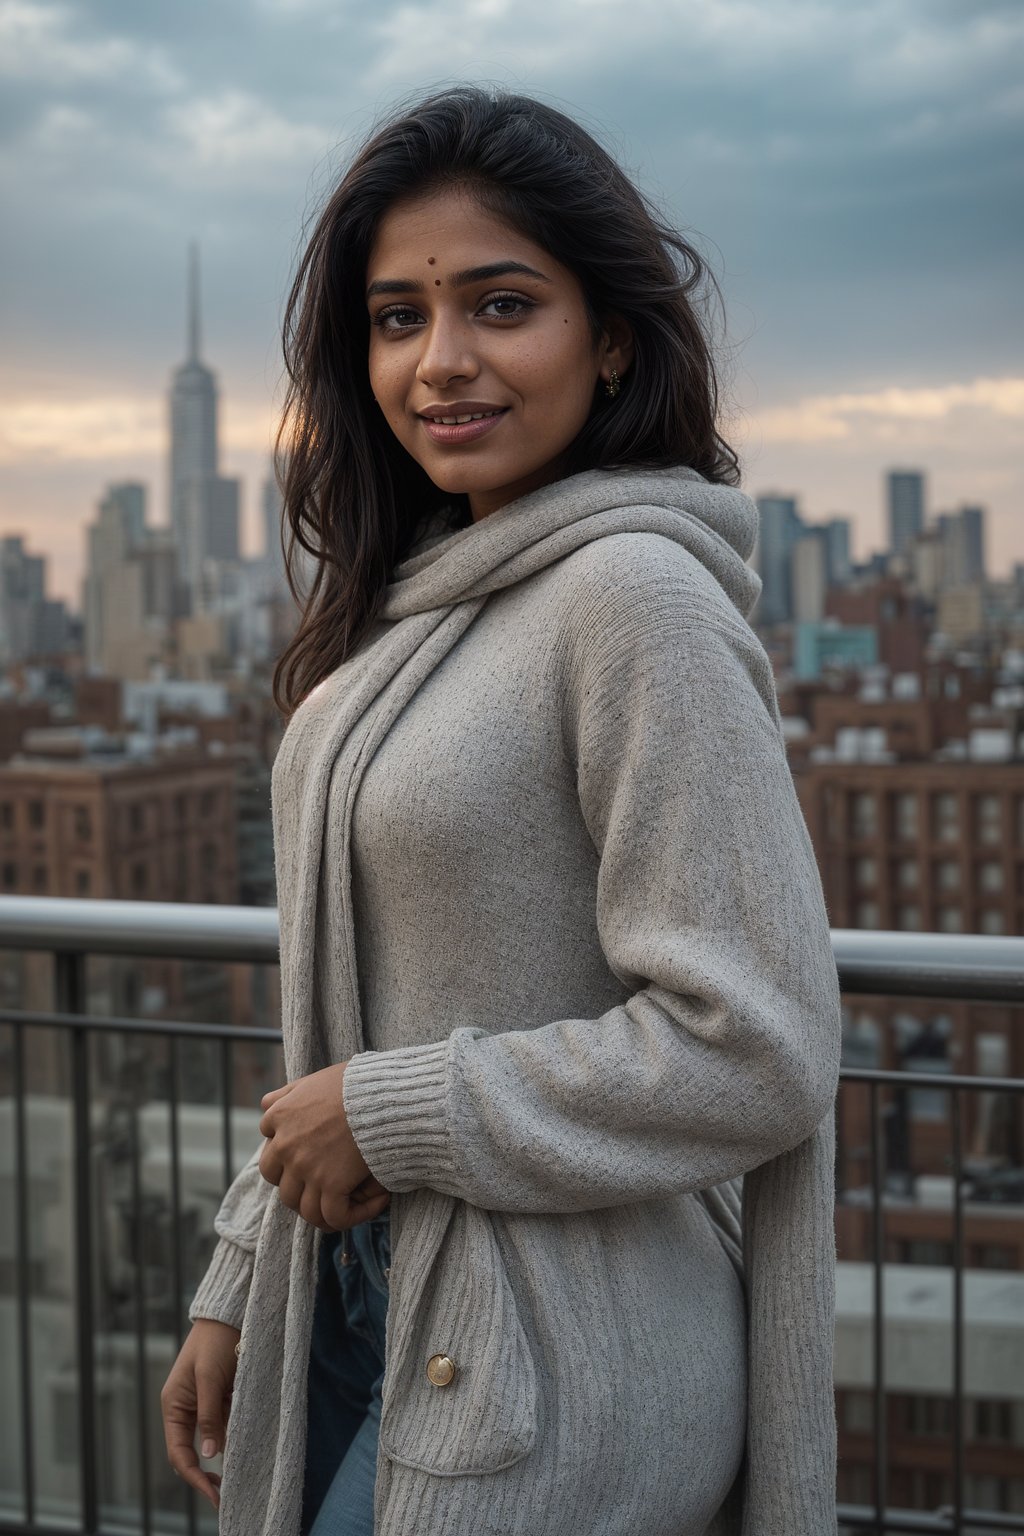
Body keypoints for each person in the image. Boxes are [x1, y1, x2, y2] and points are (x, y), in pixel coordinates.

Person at [160, 86, 842, 1536]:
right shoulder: (417, 612)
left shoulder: (635, 600)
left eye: (500, 304)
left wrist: (394, 1117)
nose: (440, 361)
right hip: (361, 1297)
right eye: (398, 317)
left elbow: (759, 1046)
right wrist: (244, 1270)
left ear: (608, 338)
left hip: (551, 1367)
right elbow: (359, 1009)